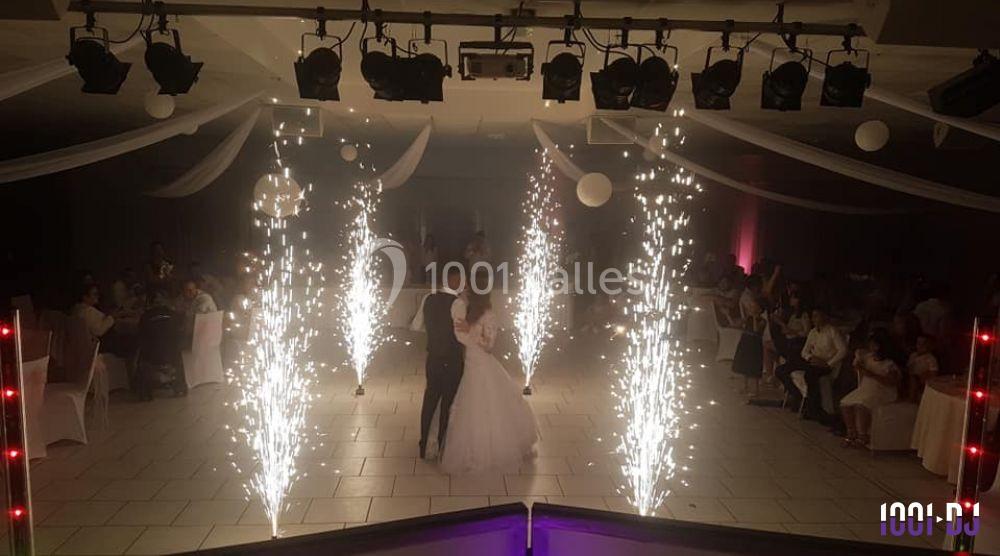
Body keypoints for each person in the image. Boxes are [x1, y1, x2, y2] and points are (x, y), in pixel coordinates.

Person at [441, 278, 538, 473]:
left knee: (486, 404)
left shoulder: (488, 315)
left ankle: (489, 451)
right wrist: (467, 331)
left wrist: (472, 331)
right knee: (472, 406)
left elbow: (489, 345)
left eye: (469, 286)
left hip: (482, 364)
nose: (465, 289)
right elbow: (460, 336)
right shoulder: (464, 309)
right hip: (469, 363)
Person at [418, 266, 467, 459]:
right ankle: (441, 445)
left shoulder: (428, 299)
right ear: (453, 280)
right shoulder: (458, 303)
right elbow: (461, 336)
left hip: (433, 358)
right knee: (448, 402)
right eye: (460, 279)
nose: (462, 283)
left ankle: (423, 444)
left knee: (430, 400)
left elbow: (417, 325)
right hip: (452, 359)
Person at [776, 307, 847, 421]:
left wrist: (828, 363)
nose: (814, 319)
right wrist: (810, 357)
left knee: (810, 375)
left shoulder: (832, 331)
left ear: (824, 317)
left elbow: (843, 350)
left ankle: (813, 408)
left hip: (826, 364)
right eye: (813, 316)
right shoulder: (813, 332)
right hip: (812, 361)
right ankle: (797, 395)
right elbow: (805, 351)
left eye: (817, 316)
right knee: (781, 370)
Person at [839, 330, 901, 447]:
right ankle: (851, 432)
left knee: (861, 405)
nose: (871, 347)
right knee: (845, 404)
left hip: (883, 391)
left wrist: (871, 374)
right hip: (866, 388)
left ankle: (863, 435)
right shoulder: (868, 358)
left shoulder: (890, 364)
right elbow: (857, 367)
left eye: (874, 344)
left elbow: (891, 382)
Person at [732, 275, 766, 396]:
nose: (753, 308)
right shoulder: (746, 298)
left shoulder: (762, 319)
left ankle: (755, 389)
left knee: (754, 365)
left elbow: (757, 330)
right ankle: (745, 386)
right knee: (744, 363)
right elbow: (740, 321)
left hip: (754, 341)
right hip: (746, 337)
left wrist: (755, 317)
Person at [907, 334, 940, 402]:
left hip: (923, 382)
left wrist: (921, 377)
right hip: (912, 380)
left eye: (923, 344)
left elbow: (933, 374)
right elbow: (909, 368)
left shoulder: (931, 359)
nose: (920, 346)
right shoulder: (913, 355)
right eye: (918, 343)